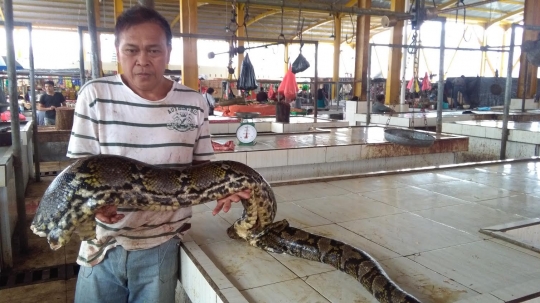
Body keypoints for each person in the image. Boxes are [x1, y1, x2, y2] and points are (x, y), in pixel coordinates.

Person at [67, 6, 250, 303]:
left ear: (168, 50)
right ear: (117, 50)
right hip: (102, 247)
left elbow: (203, 169)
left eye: (153, 50)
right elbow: (81, 171)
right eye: (131, 50)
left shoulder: (193, 102)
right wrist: (92, 205)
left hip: (162, 246)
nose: (142, 61)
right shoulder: (95, 96)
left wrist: (224, 189)